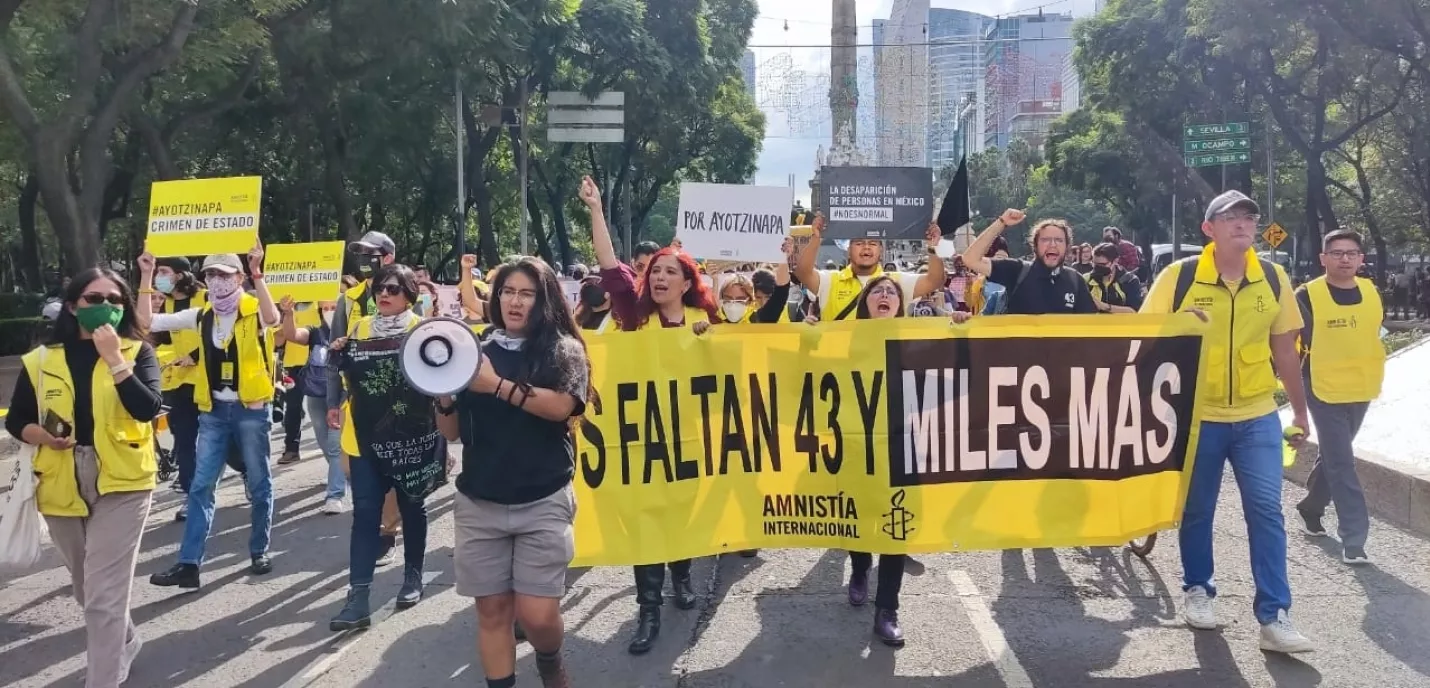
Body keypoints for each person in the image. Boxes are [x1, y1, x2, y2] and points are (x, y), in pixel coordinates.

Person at [1140, 190, 1313, 653]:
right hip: (1196, 416)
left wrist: (1298, 410)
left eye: (1249, 217)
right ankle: (1198, 589)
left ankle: (1275, 616)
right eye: (1230, 217)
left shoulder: (1273, 278)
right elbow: (1142, 340)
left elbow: (1285, 350)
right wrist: (1179, 325)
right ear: (1208, 229)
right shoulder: (1178, 279)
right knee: (1197, 509)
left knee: (1266, 511)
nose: (1242, 224)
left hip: (1257, 414)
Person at [435, 257, 588, 688]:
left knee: (538, 616)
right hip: (480, 502)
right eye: (507, 291)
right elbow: (450, 432)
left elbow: (560, 406)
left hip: (542, 499)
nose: (514, 301)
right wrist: (444, 394)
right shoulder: (472, 350)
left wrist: (496, 386)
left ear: (544, 301)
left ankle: (549, 658)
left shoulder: (564, 351)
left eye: (526, 293)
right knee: (493, 611)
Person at [7, 267, 163, 687]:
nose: (107, 307)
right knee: (86, 590)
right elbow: (18, 420)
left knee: (102, 597)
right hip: (60, 479)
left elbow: (147, 409)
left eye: (116, 300)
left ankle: (103, 679)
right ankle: (125, 640)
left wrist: (115, 359)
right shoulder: (41, 360)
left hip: (124, 482)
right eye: (95, 300)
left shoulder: (136, 352)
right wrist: (40, 435)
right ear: (74, 306)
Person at [583, 175, 716, 654]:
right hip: (639, 438)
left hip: (691, 440)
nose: (658, 278)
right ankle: (649, 611)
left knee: (678, 517)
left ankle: (681, 577)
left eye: (669, 272)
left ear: (687, 282)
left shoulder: (707, 322)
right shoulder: (633, 317)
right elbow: (608, 263)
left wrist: (710, 343)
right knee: (645, 524)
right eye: (654, 271)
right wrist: (597, 209)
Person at [805, 276, 972, 646]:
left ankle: (887, 610)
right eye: (877, 291)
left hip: (904, 447)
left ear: (901, 304)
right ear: (866, 303)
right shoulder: (843, 338)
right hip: (856, 446)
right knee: (860, 517)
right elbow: (809, 374)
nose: (884, 296)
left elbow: (953, 379)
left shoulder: (917, 338)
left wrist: (959, 335)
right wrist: (809, 335)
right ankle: (861, 568)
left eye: (892, 293)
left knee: (898, 528)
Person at [141, 246, 282, 587]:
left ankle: (259, 550)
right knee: (201, 486)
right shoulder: (202, 314)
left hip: (250, 411)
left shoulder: (252, 309)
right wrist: (147, 276)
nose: (217, 281)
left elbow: (273, 318)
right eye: (211, 275)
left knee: (260, 483)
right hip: (214, 412)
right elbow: (146, 322)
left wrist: (258, 273)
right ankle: (189, 564)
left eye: (224, 274)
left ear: (239, 278)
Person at [327, 264, 432, 630]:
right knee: (365, 514)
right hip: (364, 439)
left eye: (392, 288)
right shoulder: (360, 329)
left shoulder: (424, 331)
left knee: (411, 506)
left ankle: (413, 577)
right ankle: (357, 599)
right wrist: (340, 352)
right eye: (378, 289)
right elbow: (347, 377)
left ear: (409, 295)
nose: (383, 295)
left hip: (410, 438)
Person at [1293, 230, 1385, 565]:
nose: (1345, 259)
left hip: (1361, 386)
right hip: (1322, 386)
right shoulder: (1307, 295)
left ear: (1361, 258)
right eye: (1337, 253)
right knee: (1343, 461)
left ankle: (1311, 506)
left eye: (1352, 253)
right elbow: (1289, 342)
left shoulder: (1371, 291)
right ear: (1323, 258)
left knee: (1335, 456)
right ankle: (1354, 538)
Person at [328, 232, 405, 566]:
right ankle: (373, 521)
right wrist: (334, 399)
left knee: (390, 465)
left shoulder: (407, 291)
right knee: (352, 465)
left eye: (370, 254)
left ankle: (387, 531)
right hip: (356, 397)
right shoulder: (349, 299)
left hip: (398, 397)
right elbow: (335, 349)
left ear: (387, 257)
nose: (363, 260)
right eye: (359, 253)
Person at [793, 213, 946, 320]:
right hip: (841, 364)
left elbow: (935, 280)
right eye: (859, 243)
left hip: (884, 363)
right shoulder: (831, 280)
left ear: (881, 251)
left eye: (872, 243)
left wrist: (933, 247)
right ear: (848, 250)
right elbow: (802, 273)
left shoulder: (895, 282)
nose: (866, 247)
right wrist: (816, 238)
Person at [278, 296, 346, 514]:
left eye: (333, 307)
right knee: (323, 439)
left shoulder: (352, 330)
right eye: (325, 308)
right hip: (317, 394)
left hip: (343, 394)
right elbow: (291, 335)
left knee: (335, 444)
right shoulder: (316, 332)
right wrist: (288, 314)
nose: (329, 311)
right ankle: (342, 472)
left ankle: (335, 494)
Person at [150, 258, 207, 519]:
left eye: (163, 272)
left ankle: (245, 472)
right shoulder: (166, 303)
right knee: (184, 439)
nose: (158, 277)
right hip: (179, 381)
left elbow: (220, 332)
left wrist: (195, 355)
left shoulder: (207, 298)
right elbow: (158, 337)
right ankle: (190, 494)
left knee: (225, 438)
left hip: (209, 379)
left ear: (181, 275)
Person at [962, 210, 1098, 315]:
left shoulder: (1075, 280)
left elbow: (1090, 325)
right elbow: (970, 259)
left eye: (1059, 240)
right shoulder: (1017, 270)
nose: (1052, 245)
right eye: (1045, 240)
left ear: (1067, 247)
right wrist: (1002, 222)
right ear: (1035, 246)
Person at [275, 300, 320, 466]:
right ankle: (292, 449)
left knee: (325, 407)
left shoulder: (320, 304)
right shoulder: (286, 308)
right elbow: (278, 341)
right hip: (292, 364)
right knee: (293, 407)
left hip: (318, 364)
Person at [1086, 242, 1145, 314]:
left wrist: (1103, 306)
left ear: (1115, 261)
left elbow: (1133, 311)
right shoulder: (1086, 279)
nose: (1097, 267)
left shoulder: (1130, 280)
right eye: (1094, 264)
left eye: (1102, 264)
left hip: (1120, 324)